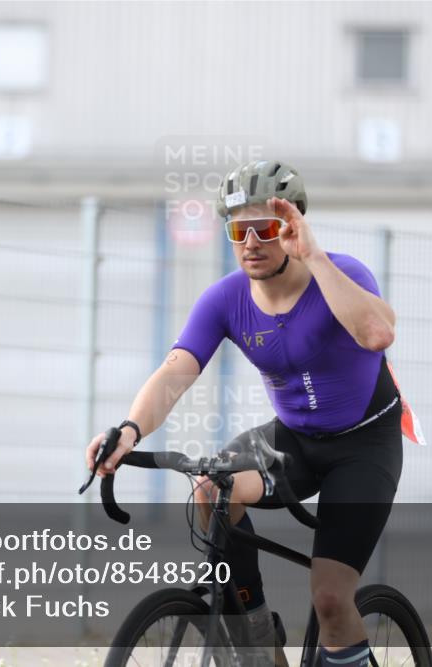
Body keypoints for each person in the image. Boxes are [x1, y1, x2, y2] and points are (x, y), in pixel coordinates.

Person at [86, 160, 403, 667]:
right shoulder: (226, 299)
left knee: (330, 599)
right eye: (239, 230)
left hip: (363, 445)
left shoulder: (342, 273)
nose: (251, 242)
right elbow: (175, 371)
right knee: (212, 487)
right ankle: (255, 635)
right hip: (295, 439)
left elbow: (377, 335)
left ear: (293, 224)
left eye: (266, 228)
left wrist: (315, 256)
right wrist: (129, 430)